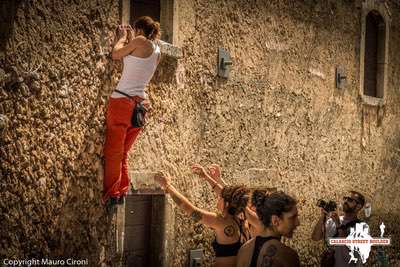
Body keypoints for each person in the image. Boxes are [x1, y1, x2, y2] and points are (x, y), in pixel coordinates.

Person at [102, 16, 161, 205]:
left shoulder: (139, 41)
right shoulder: (158, 50)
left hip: (123, 101)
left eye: (134, 31)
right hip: (141, 106)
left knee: (114, 151)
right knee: (124, 153)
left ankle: (112, 193)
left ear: (139, 30)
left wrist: (122, 37)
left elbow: (116, 54)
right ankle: (122, 192)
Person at [155, 171, 250, 267]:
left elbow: (190, 209)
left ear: (227, 204)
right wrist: (207, 177)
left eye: (220, 197)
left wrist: (168, 186)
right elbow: (232, 197)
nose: (218, 197)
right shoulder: (243, 221)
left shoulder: (222, 222)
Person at [236, 191, 300, 267]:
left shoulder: (243, 250)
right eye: (292, 218)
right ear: (275, 221)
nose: (297, 223)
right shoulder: (287, 255)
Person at [311, 190, 366, 267]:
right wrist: (322, 216)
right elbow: (315, 237)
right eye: (345, 198)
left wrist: (338, 224)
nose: (345, 201)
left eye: (350, 200)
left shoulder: (362, 227)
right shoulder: (332, 221)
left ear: (358, 206)